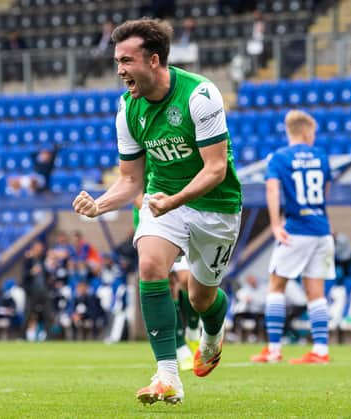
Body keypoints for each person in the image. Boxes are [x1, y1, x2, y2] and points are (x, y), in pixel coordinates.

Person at [72, 18, 242, 405]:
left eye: (127, 60)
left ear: (153, 60)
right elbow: (131, 180)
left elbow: (215, 169)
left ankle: (212, 336)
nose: (119, 70)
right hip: (163, 202)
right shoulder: (127, 109)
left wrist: (175, 200)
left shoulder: (200, 95)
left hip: (216, 206)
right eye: (117, 61)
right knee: (150, 267)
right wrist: (99, 204)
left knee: (201, 298)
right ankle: (167, 376)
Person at [251, 110, 335, 365]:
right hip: (322, 230)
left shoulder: (279, 158)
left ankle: (274, 349)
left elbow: (272, 188)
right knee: (316, 293)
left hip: (296, 230)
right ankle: (320, 350)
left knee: (276, 286)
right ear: (307, 132)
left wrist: (276, 224)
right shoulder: (321, 156)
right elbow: (326, 190)